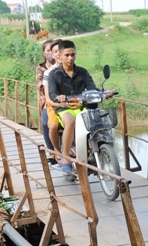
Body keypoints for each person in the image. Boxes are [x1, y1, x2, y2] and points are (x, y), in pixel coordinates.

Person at [46, 40, 97, 175]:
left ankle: (95, 149)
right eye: (67, 55)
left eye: (73, 55)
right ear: (60, 56)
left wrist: (99, 93)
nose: (70, 58)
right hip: (65, 107)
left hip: (81, 105)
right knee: (70, 122)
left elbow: (92, 86)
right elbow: (52, 93)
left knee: (96, 118)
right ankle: (66, 158)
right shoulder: (54, 74)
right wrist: (59, 97)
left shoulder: (82, 72)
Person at [35, 39, 57, 164]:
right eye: (48, 51)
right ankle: (51, 152)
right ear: (44, 53)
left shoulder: (62, 65)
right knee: (45, 122)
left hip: (60, 99)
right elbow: (40, 85)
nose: (50, 53)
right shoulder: (41, 69)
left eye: (52, 51)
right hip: (46, 100)